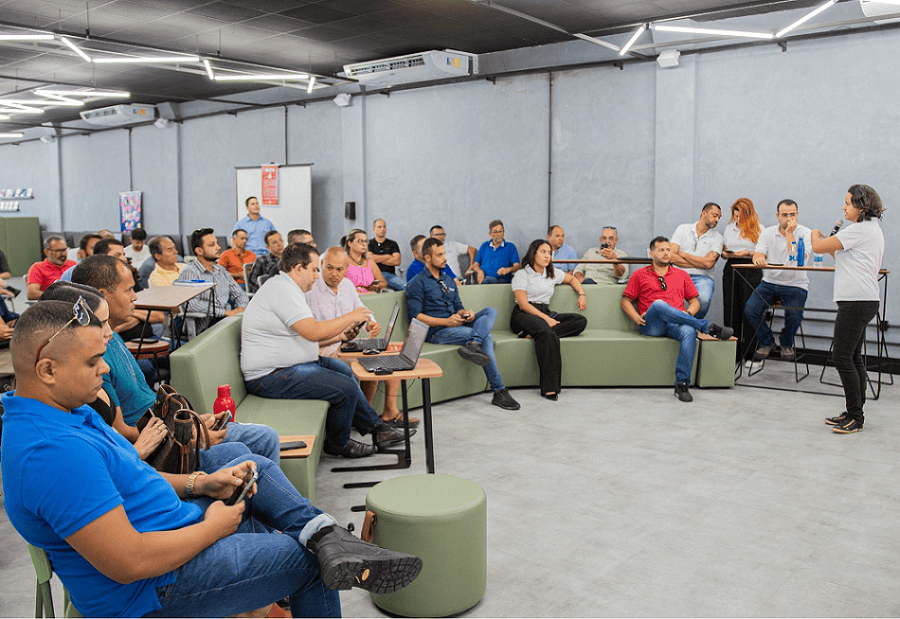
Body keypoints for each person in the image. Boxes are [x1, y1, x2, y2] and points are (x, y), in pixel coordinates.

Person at [1, 301, 422, 618]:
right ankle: (320, 547)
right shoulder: (51, 453)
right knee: (309, 563)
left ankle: (323, 535)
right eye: (93, 362)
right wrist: (210, 528)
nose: (104, 371)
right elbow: (130, 562)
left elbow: (128, 476)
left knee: (253, 468)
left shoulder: (65, 411)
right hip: (153, 588)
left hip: (168, 533)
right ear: (48, 369)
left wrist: (201, 483)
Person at [71, 255, 280, 466]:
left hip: (166, 426)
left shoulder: (113, 337)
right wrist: (184, 434)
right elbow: (125, 433)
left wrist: (190, 421)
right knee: (246, 450)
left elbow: (150, 405)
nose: (135, 297)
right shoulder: (96, 359)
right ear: (102, 296)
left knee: (265, 436)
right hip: (161, 445)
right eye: (128, 290)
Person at [241, 243, 410, 458]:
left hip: (290, 365)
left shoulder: (288, 288)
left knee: (343, 370)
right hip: (270, 375)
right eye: (314, 269)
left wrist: (340, 336)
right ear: (298, 268)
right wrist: (351, 317)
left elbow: (303, 334)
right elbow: (313, 332)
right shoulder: (282, 290)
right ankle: (338, 444)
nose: (316, 275)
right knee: (345, 387)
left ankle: (378, 429)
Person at [306, 247, 416, 428]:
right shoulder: (310, 289)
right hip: (323, 347)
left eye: (340, 269)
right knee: (369, 362)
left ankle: (388, 411)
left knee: (388, 355)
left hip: (345, 343)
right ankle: (368, 419)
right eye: (329, 268)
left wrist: (370, 324)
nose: (334, 274)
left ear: (346, 269)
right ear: (321, 264)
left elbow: (361, 310)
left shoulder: (347, 286)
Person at [407, 238, 521, 410]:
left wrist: (465, 314)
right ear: (428, 258)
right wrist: (446, 321)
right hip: (437, 332)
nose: (445, 258)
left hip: (456, 324)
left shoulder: (449, 280)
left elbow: (458, 307)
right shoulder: (417, 282)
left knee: (490, 311)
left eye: (444, 253)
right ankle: (499, 391)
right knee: (486, 337)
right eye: (439, 255)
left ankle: (473, 343)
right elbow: (415, 317)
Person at [621, 236, 733, 403]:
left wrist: (687, 315)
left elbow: (694, 301)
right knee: (659, 304)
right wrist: (636, 318)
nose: (666, 253)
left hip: (677, 323)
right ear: (651, 253)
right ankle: (706, 327)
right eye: (661, 250)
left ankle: (681, 384)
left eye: (668, 250)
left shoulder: (682, 275)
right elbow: (626, 300)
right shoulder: (639, 275)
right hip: (652, 325)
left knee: (689, 331)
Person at [812, 185, 886, 434]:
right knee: (853, 357)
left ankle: (856, 416)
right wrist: (828, 242)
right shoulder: (869, 229)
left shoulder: (859, 229)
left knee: (842, 357)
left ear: (861, 206)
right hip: (862, 299)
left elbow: (818, 248)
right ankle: (854, 411)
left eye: (847, 203)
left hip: (857, 301)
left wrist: (815, 234)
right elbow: (842, 256)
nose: (843, 207)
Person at [511, 239, 587, 400]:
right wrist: (545, 318)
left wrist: (582, 294)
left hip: (545, 311)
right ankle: (550, 388)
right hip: (523, 314)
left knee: (580, 321)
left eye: (549, 253)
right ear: (533, 253)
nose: (547, 256)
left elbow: (572, 279)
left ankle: (533, 334)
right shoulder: (522, 274)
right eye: (543, 252)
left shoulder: (551, 272)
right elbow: (523, 305)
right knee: (547, 333)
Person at [744, 199, 812, 362]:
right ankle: (767, 341)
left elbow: (796, 259)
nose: (789, 219)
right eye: (785, 215)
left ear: (797, 215)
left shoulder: (806, 233)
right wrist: (758, 258)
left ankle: (786, 343)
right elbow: (758, 253)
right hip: (770, 282)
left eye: (792, 215)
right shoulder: (767, 233)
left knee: (795, 316)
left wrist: (790, 233)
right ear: (777, 216)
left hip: (796, 284)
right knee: (750, 309)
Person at [177, 228, 249, 333]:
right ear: (199, 251)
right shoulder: (189, 272)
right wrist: (225, 313)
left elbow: (240, 294)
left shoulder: (221, 270)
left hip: (226, 321)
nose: (218, 247)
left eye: (217, 243)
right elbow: (192, 304)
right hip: (205, 327)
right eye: (212, 245)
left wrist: (241, 308)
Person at [721, 198, 763, 362]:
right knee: (731, 309)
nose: (738, 219)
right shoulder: (729, 229)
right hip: (731, 268)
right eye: (735, 216)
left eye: (741, 216)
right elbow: (724, 251)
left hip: (750, 269)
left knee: (750, 311)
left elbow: (762, 253)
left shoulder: (759, 229)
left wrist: (746, 253)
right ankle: (734, 353)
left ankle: (750, 352)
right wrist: (729, 254)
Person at [669, 203, 724, 319]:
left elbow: (709, 264)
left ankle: (689, 323)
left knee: (703, 300)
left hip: (703, 277)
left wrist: (683, 254)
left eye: (719, 217)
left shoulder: (718, 238)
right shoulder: (683, 229)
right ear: (704, 213)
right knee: (668, 299)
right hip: (678, 274)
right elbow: (671, 256)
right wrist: (701, 262)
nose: (717, 219)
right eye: (715, 215)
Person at [472, 219, 520, 284]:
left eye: (501, 231)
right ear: (490, 233)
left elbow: (517, 266)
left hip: (502, 281)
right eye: (495, 232)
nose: (499, 234)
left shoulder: (510, 247)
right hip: (485, 279)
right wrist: (480, 271)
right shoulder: (484, 246)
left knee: (489, 281)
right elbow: (475, 265)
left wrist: (508, 269)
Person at [343, 228, 386, 294]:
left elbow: (383, 283)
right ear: (349, 243)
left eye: (366, 241)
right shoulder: (343, 262)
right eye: (360, 241)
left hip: (370, 299)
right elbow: (337, 284)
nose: (364, 244)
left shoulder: (370, 263)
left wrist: (377, 286)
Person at [368, 219, 405, 291]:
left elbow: (397, 261)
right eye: (379, 227)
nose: (382, 229)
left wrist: (376, 258)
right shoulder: (369, 243)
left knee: (406, 287)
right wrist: (388, 256)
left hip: (389, 275)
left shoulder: (392, 244)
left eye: (384, 227)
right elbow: (369, 259)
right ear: (373, 229)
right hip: (373, 276)